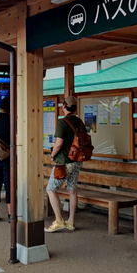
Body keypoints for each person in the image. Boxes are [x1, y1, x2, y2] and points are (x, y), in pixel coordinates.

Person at [45, 95, 84, 232]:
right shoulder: (79, 122)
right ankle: (71, 222)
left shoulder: (62, 123)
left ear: (63, 107)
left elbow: (59, 143)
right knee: (72, 190)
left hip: (63, 162)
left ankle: (59, 220)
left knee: (50, 189)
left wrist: (52, 155)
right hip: (76, 162)